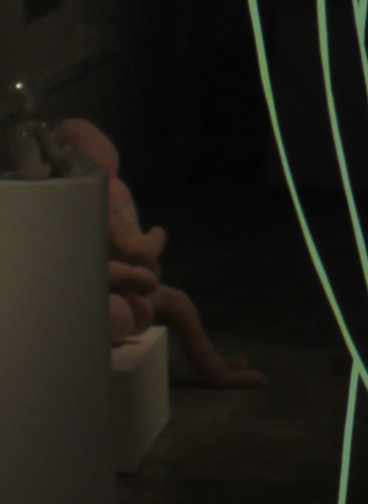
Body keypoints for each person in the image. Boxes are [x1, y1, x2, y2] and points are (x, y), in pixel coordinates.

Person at [46, 116, 262, 386]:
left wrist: (146, 251)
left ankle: (214, 369)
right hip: (105, 291)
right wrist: (135, 265)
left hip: (132, 285)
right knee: (117, 315)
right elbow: (88, 267)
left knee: (178, 302)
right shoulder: (78, 204)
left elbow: (132, 246)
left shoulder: (112, 190)